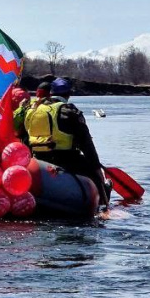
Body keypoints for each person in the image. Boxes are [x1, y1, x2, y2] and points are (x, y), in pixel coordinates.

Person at [23, 77, 109, 205]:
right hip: (65, 159)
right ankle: (104, 207)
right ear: (68, 94)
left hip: (38, 159)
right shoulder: (69, 111)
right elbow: (86, 143)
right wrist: (96, 168)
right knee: (96, 175)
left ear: (50, 93)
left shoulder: (32, 110)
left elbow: (26, 138)